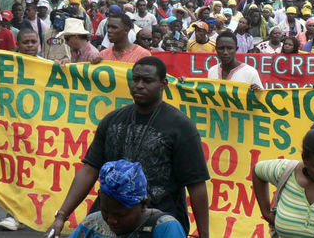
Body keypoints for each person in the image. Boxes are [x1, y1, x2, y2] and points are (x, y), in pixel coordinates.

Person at [46, 57, 210, 238]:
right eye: (136, 79)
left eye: (147, 81)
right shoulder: (112, 120)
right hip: (110, 222)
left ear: (163, 84)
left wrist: (204, 235)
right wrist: (61, 216)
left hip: (157, 227)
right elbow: (90, 169)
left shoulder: (181, 127)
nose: (139, 85)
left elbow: (196, 186)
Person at [68, 160, 186, 238]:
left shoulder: (165, 228)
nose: (111, 220)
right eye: (106, 212)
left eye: (120, 215)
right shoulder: (92, 224)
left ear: (143, 204)